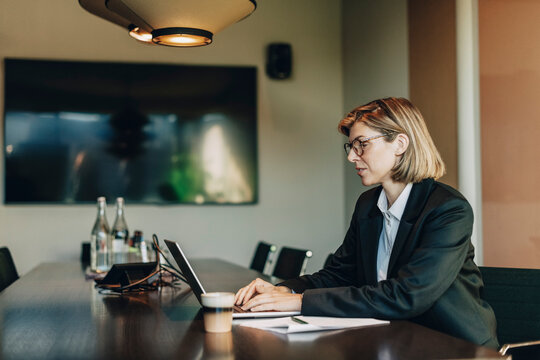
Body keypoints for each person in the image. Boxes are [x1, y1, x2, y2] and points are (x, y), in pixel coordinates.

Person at [234, 97, 499, 348]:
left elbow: (407, 296)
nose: (352, 157)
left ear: (400, 144)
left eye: (362, 144)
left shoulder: (448, 209)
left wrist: (299, 302)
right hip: (393, 338)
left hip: (453, 346)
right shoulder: (368, 204)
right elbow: (339, 273)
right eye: (351, 146)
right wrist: (282, 290)